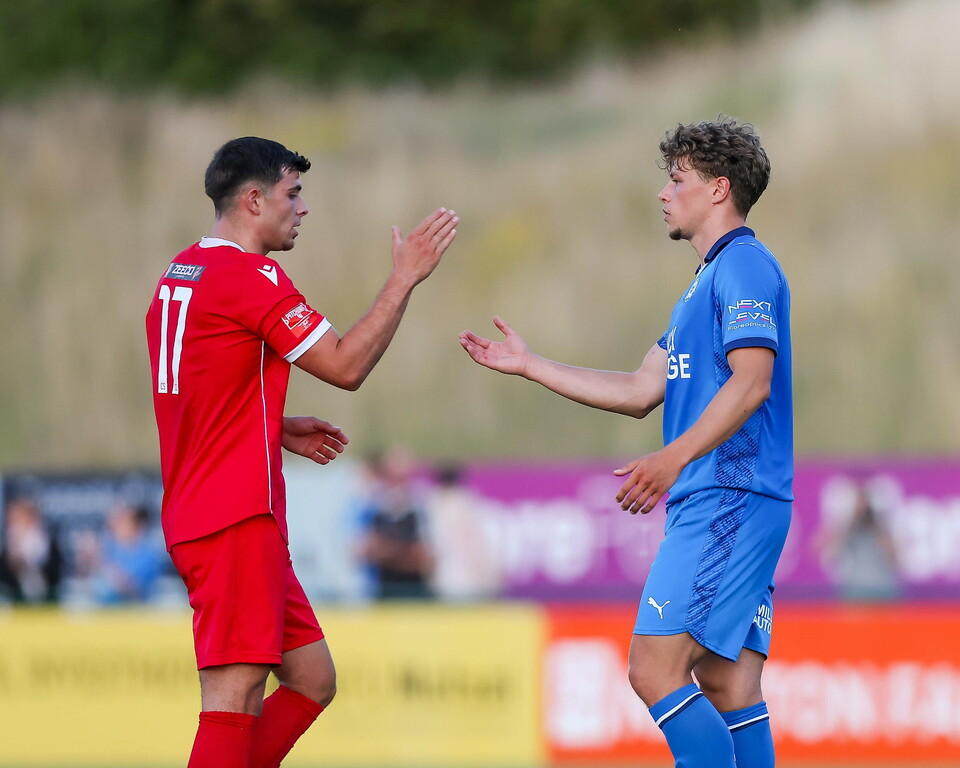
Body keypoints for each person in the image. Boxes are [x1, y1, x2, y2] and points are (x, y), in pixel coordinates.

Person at [460, 118, 789, 768]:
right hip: (730, 498)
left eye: (677, 179)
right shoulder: (702, 285)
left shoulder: (745, 266)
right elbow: (642, 389)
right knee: (729, 683)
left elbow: (753, 383)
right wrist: (533, 365)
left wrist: (674, 457)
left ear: (719, 188)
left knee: (653, 670)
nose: (664, 193)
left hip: (728, 496)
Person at [146, 136, 457, 768]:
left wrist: (269, 421)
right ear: (254, 199)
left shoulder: (181, 273)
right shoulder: (250, 276)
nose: (303, 208)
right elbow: (344, 366)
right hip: (231, 517)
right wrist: (404, 279)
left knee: (312, 678)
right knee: (232, 697)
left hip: (212, 509)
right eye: (293, 194)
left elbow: (189, 389)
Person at [355, 446, 435, 600]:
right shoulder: (374, 503)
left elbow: (425, 557)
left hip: (415, 587)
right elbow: (364, 551)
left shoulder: (419, 501)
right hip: (384, 586)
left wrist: (392, 551)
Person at [92, 503, 166, 604]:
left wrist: (114, 577)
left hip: (139, 608)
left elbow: (136, 584)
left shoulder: (147, 552)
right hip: (108, 611)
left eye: (123, 522)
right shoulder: (112, 548)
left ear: (135, 525)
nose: (119, 527)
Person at [0, 497, 63, 604]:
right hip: (16, 600)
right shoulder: (8, 544)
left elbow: (55, 574)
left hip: (46, 601)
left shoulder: (46, 541)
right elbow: (4, 577)